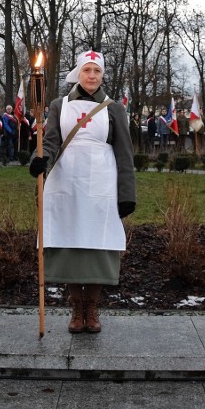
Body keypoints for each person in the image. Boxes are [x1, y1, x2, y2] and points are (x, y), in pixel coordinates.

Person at [28, 50, 136, 334]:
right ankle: (77, 308)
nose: (92, 76)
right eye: (87, 70)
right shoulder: (59, 105)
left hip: (102, 186)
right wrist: (39, 159)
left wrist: (127, 193)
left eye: (97, 72)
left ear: (102, 76)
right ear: (78, 73)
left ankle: (93, 308)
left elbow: (125, 154)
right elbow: (50, 141)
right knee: (70, 243)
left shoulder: (114, 109)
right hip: (67, 184)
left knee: (97, 245)